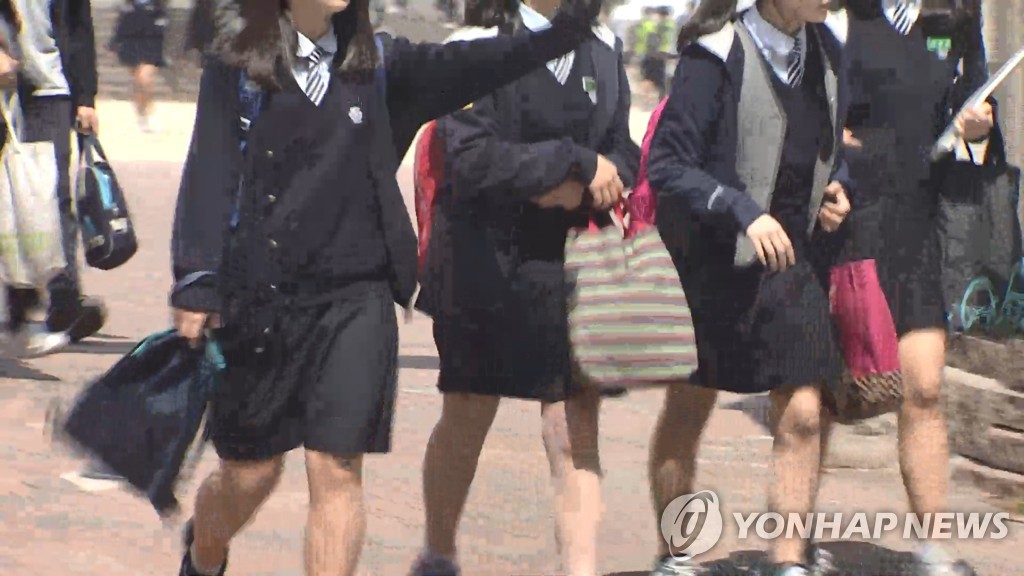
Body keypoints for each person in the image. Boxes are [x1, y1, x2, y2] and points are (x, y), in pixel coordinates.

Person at [169, 0, 600, 574]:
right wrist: (197, 279)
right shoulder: (236, 66)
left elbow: (487, 60)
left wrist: (570, 25)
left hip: (357, 298)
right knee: (252, 473)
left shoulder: (380, 65)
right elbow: (210, 170)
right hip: (262, 300)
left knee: (338, 468)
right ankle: (206, 550)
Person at [412, 0, 638, 570]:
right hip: (482, 265)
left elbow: (624, 149)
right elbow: (471, 157)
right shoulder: (475, 43)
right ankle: (438, 554)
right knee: (468, 413)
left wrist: (603, 177)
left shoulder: (603, 48)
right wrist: (574, 163)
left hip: (572, 264)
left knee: (572, 426)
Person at [645, 0, 852, 574]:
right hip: (711, 264)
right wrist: (742, 210)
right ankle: (675, 554)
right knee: (689, 408)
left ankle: (787, 561)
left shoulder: (828, 53)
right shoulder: (714, 54)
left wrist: (836, 187)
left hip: (791, 262)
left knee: (804, 413)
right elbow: (668, 165)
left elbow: (831, 149)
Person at [830, 1, 993, 574]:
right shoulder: (847, 13)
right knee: (818, 395)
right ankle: (793, 544)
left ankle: (931, 550)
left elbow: (979, 103)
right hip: (845, 222)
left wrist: (978, 125)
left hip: (919, 223)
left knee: (923, 389)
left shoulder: (958, 14)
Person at [3, 0, 105, 357]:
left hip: (50, 91)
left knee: (51, 195)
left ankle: (63, 300)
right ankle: (19, 306)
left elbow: (79, 28)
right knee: (9, 201)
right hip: (6, 93)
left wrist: (85, 97)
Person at [111, 0, 168, 132]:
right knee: (139, 82)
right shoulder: (130, 5)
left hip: (151, 44)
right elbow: (122, 23)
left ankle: (148, 110)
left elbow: (162, 19)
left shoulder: (156, 5)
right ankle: (142, 112)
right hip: (132, 44)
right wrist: (115, 43)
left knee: (145, 80)